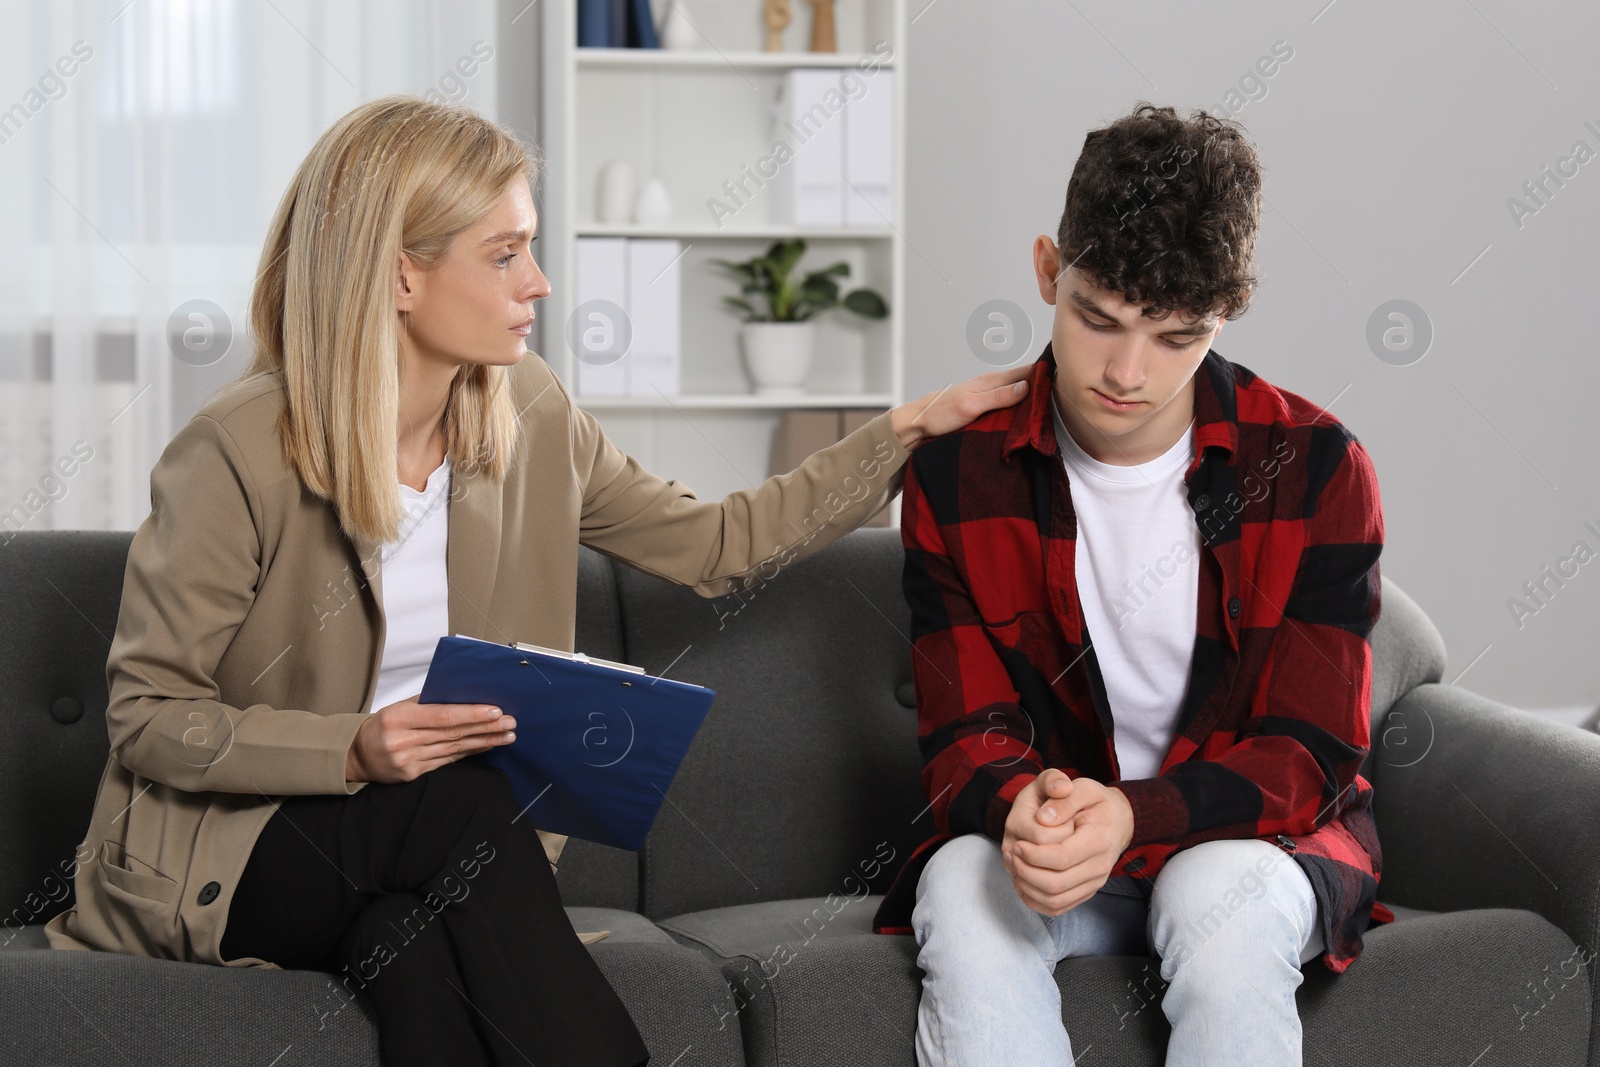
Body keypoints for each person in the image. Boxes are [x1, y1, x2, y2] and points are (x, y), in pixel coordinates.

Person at [41, 95, 1032, 1067]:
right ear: (401, 276)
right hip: (235, 849)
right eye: (505, 252)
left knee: (409, 947)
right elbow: (148, 713)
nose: (541, 282)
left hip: (419, 859)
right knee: (469, 810)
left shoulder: (529, 413)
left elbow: (712, 542)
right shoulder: (235, 450)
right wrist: (351, 747)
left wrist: (901, 436)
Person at [870, 103, 1390, 1066]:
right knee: (960, 882)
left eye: (1173, 337)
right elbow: (963, 736)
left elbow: (1314, 750)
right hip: (1066, 852)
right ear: (1045, 272)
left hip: (1254, 844)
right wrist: (1017, 804)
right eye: (1095, 317)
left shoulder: (1318, 466)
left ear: (1223, 316)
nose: (1124, 371)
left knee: (1210, 897)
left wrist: (1136, 816)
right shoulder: (958, 472)